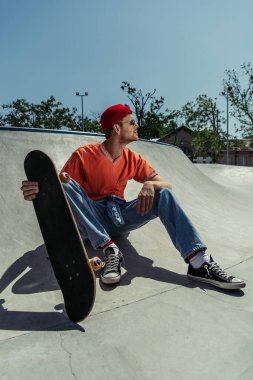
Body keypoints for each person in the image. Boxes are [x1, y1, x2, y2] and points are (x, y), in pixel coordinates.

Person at [21, 104, 246, 290]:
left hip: (119, 217)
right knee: (66, 182)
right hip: (90, 218)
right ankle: (110, 250)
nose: (136, 125)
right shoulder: (84, 155)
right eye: (131, 122)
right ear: (117, 128)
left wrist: (150, 183)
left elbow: (166, 182)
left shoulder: (133, 158)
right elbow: (61, 190)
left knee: (163, 193)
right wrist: (40, 190)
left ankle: (198, 262)